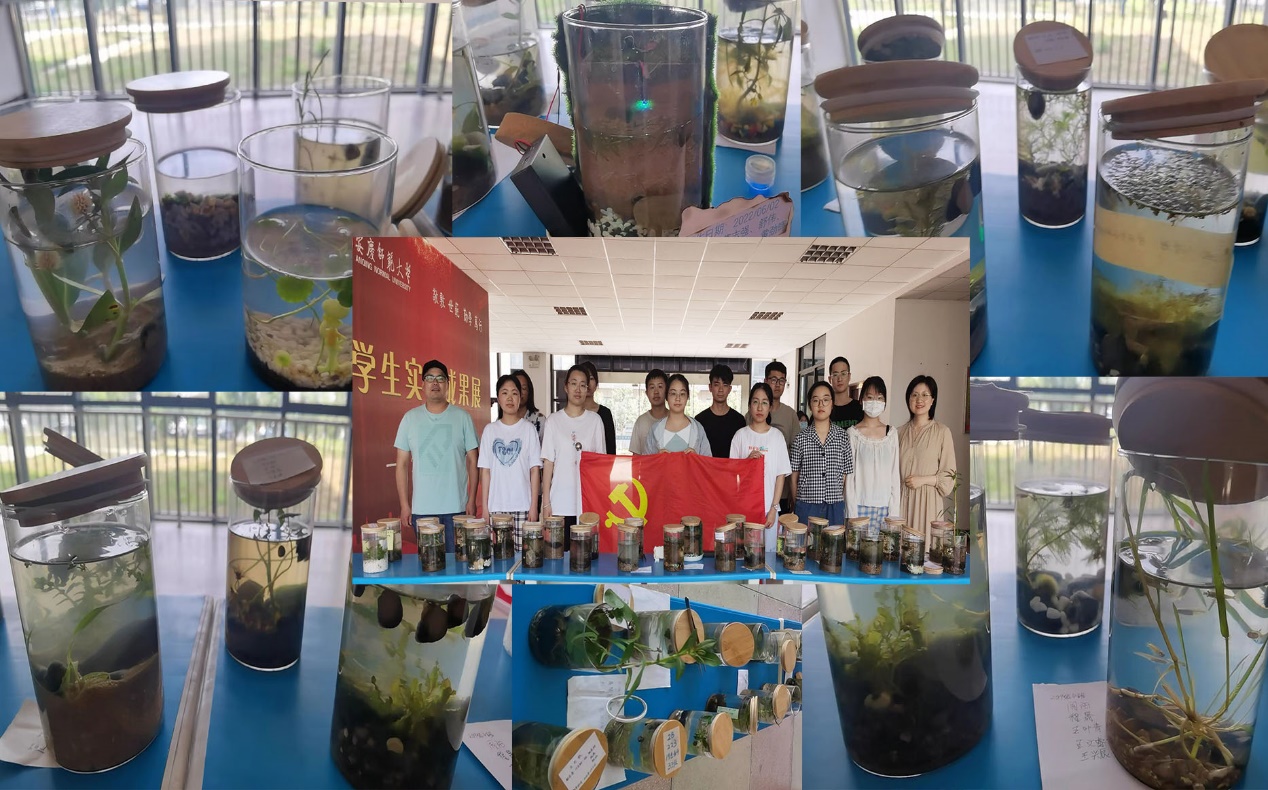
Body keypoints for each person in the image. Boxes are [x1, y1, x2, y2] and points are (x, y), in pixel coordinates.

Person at [395, 360, 478, 552]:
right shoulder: (410, 418)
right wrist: (405, 505)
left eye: (440, 378)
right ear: (422, 384)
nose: (435, 382)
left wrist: (472, 499)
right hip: (423, 511)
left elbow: (473, 461)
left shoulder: (462, 417)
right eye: (429, 378)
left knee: (458, 563)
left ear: (448, 384)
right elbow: (401, 465)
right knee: (429, 564)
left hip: (457, 509)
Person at [478, 375, 542, 551]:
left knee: (524, 558)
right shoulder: (490, 430)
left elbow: (535, 470)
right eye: (504, 393)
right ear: (498, 399)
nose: (510, 398)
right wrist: (485, 508)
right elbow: (485, 472)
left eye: (514, 393)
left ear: (520, 398)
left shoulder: (528, 429)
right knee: (499, 558)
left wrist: (534, 506)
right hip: (496, 508)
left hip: (523, 507)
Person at [541, 365, 607, 526]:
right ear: (566, 387)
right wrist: (546, 502)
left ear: (588, 390)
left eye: (583, 385)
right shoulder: (553, 421)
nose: (578, 389)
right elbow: (548, 464)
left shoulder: (595, 421)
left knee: (586, 543)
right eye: (573, 383)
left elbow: (601, 465)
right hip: (559, 502)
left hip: (587, 503)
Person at [898, 375, 958, 549]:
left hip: (928, 504)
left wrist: (923, 480)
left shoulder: (942, 432)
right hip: (902, 502)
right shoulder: (898, 432)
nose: (919, 399)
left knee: (925, 554)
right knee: (900, 553)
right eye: (914, 395)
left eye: (925, 395)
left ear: (932, 400)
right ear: (908, 399)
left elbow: (949, 477)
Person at [730, 383, 791, 550]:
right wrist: (747, 463)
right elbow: (732, 475)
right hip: (744, 509)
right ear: (749, 405)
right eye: (755, 402)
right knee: (745, 554)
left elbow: (780, 476)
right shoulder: (740, 436)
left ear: (770, 407)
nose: (759, 407)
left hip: (768, 510)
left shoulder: (777, 437)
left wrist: (773, 509)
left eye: (764, 402)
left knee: (768, 556)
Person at [789, 380, 853, 526]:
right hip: (806, 504)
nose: (821, 404)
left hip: (835, 504)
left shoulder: (843, 437)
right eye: (816, 400)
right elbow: (793, 477)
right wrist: (798, 502)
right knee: (807, 540)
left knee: (833, 540)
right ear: (810, 405)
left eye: (825, 400)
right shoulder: (800, 438)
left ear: (832, 403)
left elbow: (845, 475)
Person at [846, 376, 901, 532]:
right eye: (870, 397)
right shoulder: (853, 433)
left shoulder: (891, 433)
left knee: (885, 547)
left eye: (879, 398)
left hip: (885, 508)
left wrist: (894, 513)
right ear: (861, 400)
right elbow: (849, 477)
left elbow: (894, 475)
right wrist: (852, 513)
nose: (874, 402)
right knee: (857, 548)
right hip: (859, 506)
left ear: (885, 402)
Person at [646, 374, 711, 454]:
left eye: (682, 394)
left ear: (688, 397)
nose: (678, 398)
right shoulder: (655, 429)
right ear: (666, 397)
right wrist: (657, 458)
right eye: (673, 393)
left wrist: (696, 458)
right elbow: (645, 460)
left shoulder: (698, 428)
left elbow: (708, 460)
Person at [695, 363, 747, 458]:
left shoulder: (739, 420)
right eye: (716, 384)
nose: (721, 389)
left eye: (725, 385)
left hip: (732, 467)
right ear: (710, 387)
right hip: (707, 467)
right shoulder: (700, 420)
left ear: (730, 389)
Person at [579, 360, 617, 455]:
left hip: (599, 463)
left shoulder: (605, 414)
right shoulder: (571, 413)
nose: (588, 383)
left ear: (596, 384)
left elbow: (611, 449)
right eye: (584, 378)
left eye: (591, 378)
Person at [630, 369, 668, 455]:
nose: (656, 392)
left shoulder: (675, 419)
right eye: (652, 387)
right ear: (647, 393)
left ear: (667, 391)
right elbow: (636, 458)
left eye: (660, 387)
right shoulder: (641, 422)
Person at [829, 356, 864, 431]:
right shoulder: (824, 409)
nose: (840, 379)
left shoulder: (860, 408)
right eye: (835, 375)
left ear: (849, 376)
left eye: (843, 374)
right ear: (830, 379)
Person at [511, 368, 546, 443]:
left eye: (523, 388)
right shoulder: (502, 420)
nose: (520, 392)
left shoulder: (540, 420)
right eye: (516, 388)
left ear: (529, 392)